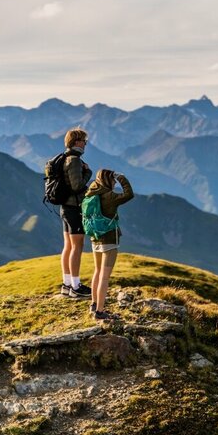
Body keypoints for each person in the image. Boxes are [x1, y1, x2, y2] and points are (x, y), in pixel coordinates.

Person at [84, 169, 134, 321]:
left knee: (97, 272)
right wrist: (121, 177)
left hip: (95, 238)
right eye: (112, 180)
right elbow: (129, 194)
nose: (114, 183)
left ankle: (94, 305)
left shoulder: (90, 193)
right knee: (105, 277)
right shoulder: (110, 196)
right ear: (108, 181)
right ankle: (100, 312)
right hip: (109, 239)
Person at [60, 128, 93, 298]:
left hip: (65, 208)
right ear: (77, 142)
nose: (85, 144)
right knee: (77, 246)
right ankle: (76, 286)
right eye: (84, 141)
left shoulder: (64, 158)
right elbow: (77, 186)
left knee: (68, 246)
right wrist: (88, 173)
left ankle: (66, 284)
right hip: (74, 208)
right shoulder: (74, 161)